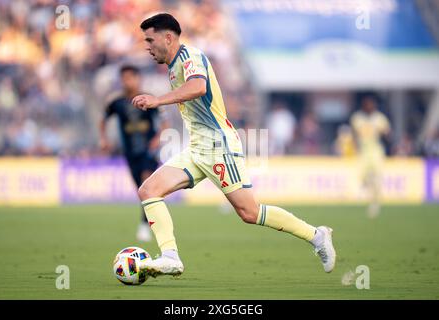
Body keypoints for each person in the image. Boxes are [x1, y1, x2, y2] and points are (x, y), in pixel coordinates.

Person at [131, 13, 336, 278]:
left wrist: (159, 100)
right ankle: (170, 257)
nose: (146, 46)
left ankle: (317, 236)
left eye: (150, 40)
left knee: (249, 212)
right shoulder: (173, 67)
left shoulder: (189, 57)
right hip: (198, 147)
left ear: (168, 37)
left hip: (218, 145)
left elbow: (198, 87)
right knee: (149, 190)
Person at [100, 65, 164, 242]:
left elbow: (164, 121)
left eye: (130, 77)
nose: (127, 81)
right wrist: (104, 139)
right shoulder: (116, 102)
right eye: (124, 78)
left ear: (138, 78)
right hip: (130, 152)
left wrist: (158, 138)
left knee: (146, 186)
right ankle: (152, 219)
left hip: (149, 151)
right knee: (142, 191)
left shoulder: (149, 99)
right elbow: (103, 120)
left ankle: (144, 226)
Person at [351, 96, 391, 218]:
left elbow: (388, 133)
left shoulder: (379, 118)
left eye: (371, 104)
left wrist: (385, 133)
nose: (369, 106)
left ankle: (375, 203)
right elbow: (354, 134)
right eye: (367, 104)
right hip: (364, 151)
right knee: (363, 177)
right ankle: (371, 192)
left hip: (375, 150)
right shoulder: (357, 118)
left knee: (377, 177)